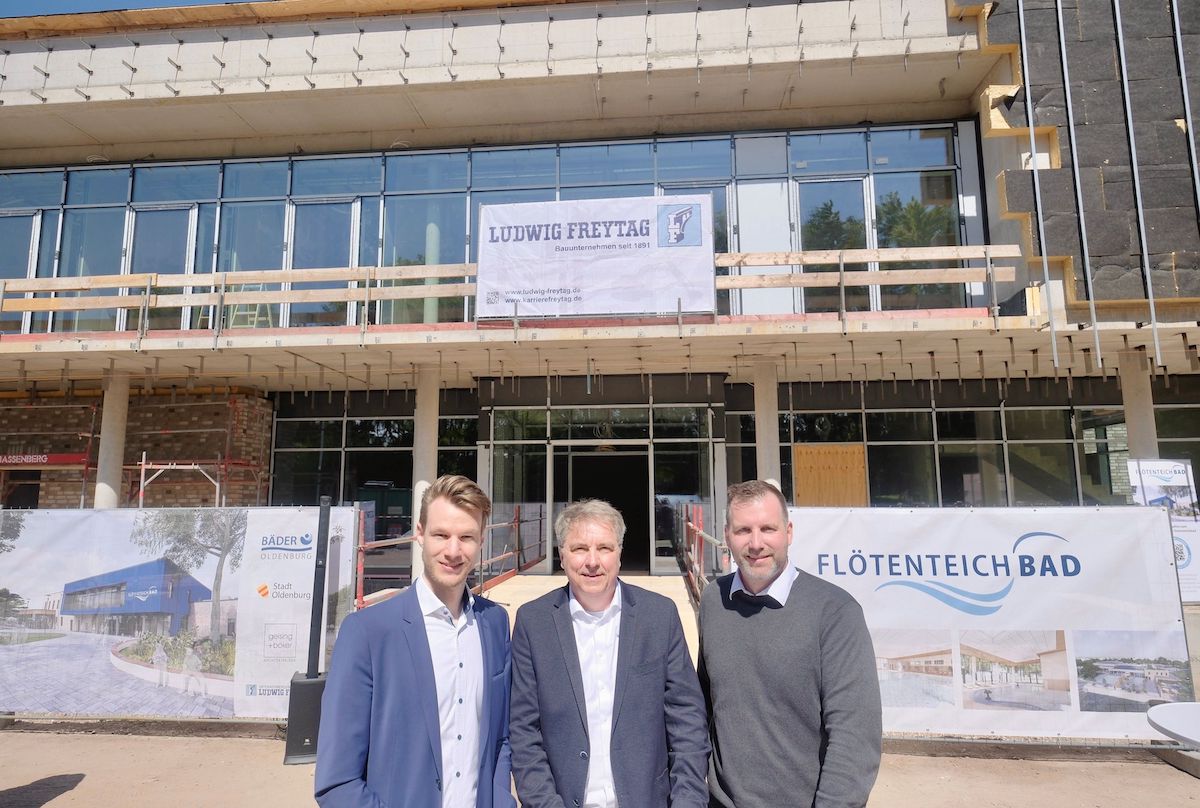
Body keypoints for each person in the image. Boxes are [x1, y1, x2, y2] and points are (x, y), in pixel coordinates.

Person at [315, 475, 516, 808]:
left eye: (466, 537)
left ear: (481, 540)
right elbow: (337, 782)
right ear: (420, 534)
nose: (453, 551)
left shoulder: (494, 623)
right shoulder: (367, 633)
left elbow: (500, 740)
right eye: (441, 535)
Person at [510, 499, 709, 808]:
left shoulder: (659, 616)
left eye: (604, 548)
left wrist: (688, 801)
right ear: (562, 556)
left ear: (619, 553)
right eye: (579, 549)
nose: (592, 561)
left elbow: (687, 722)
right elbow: (524, 731)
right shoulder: (532, 623)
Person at [699, 480, 881, 808]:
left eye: (768, 528)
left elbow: (854, 740)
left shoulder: (836, 613)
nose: (756, 543)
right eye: (743, 531)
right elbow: (706, 707)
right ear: (727, 536)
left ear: (789, 532)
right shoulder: (714, 602)